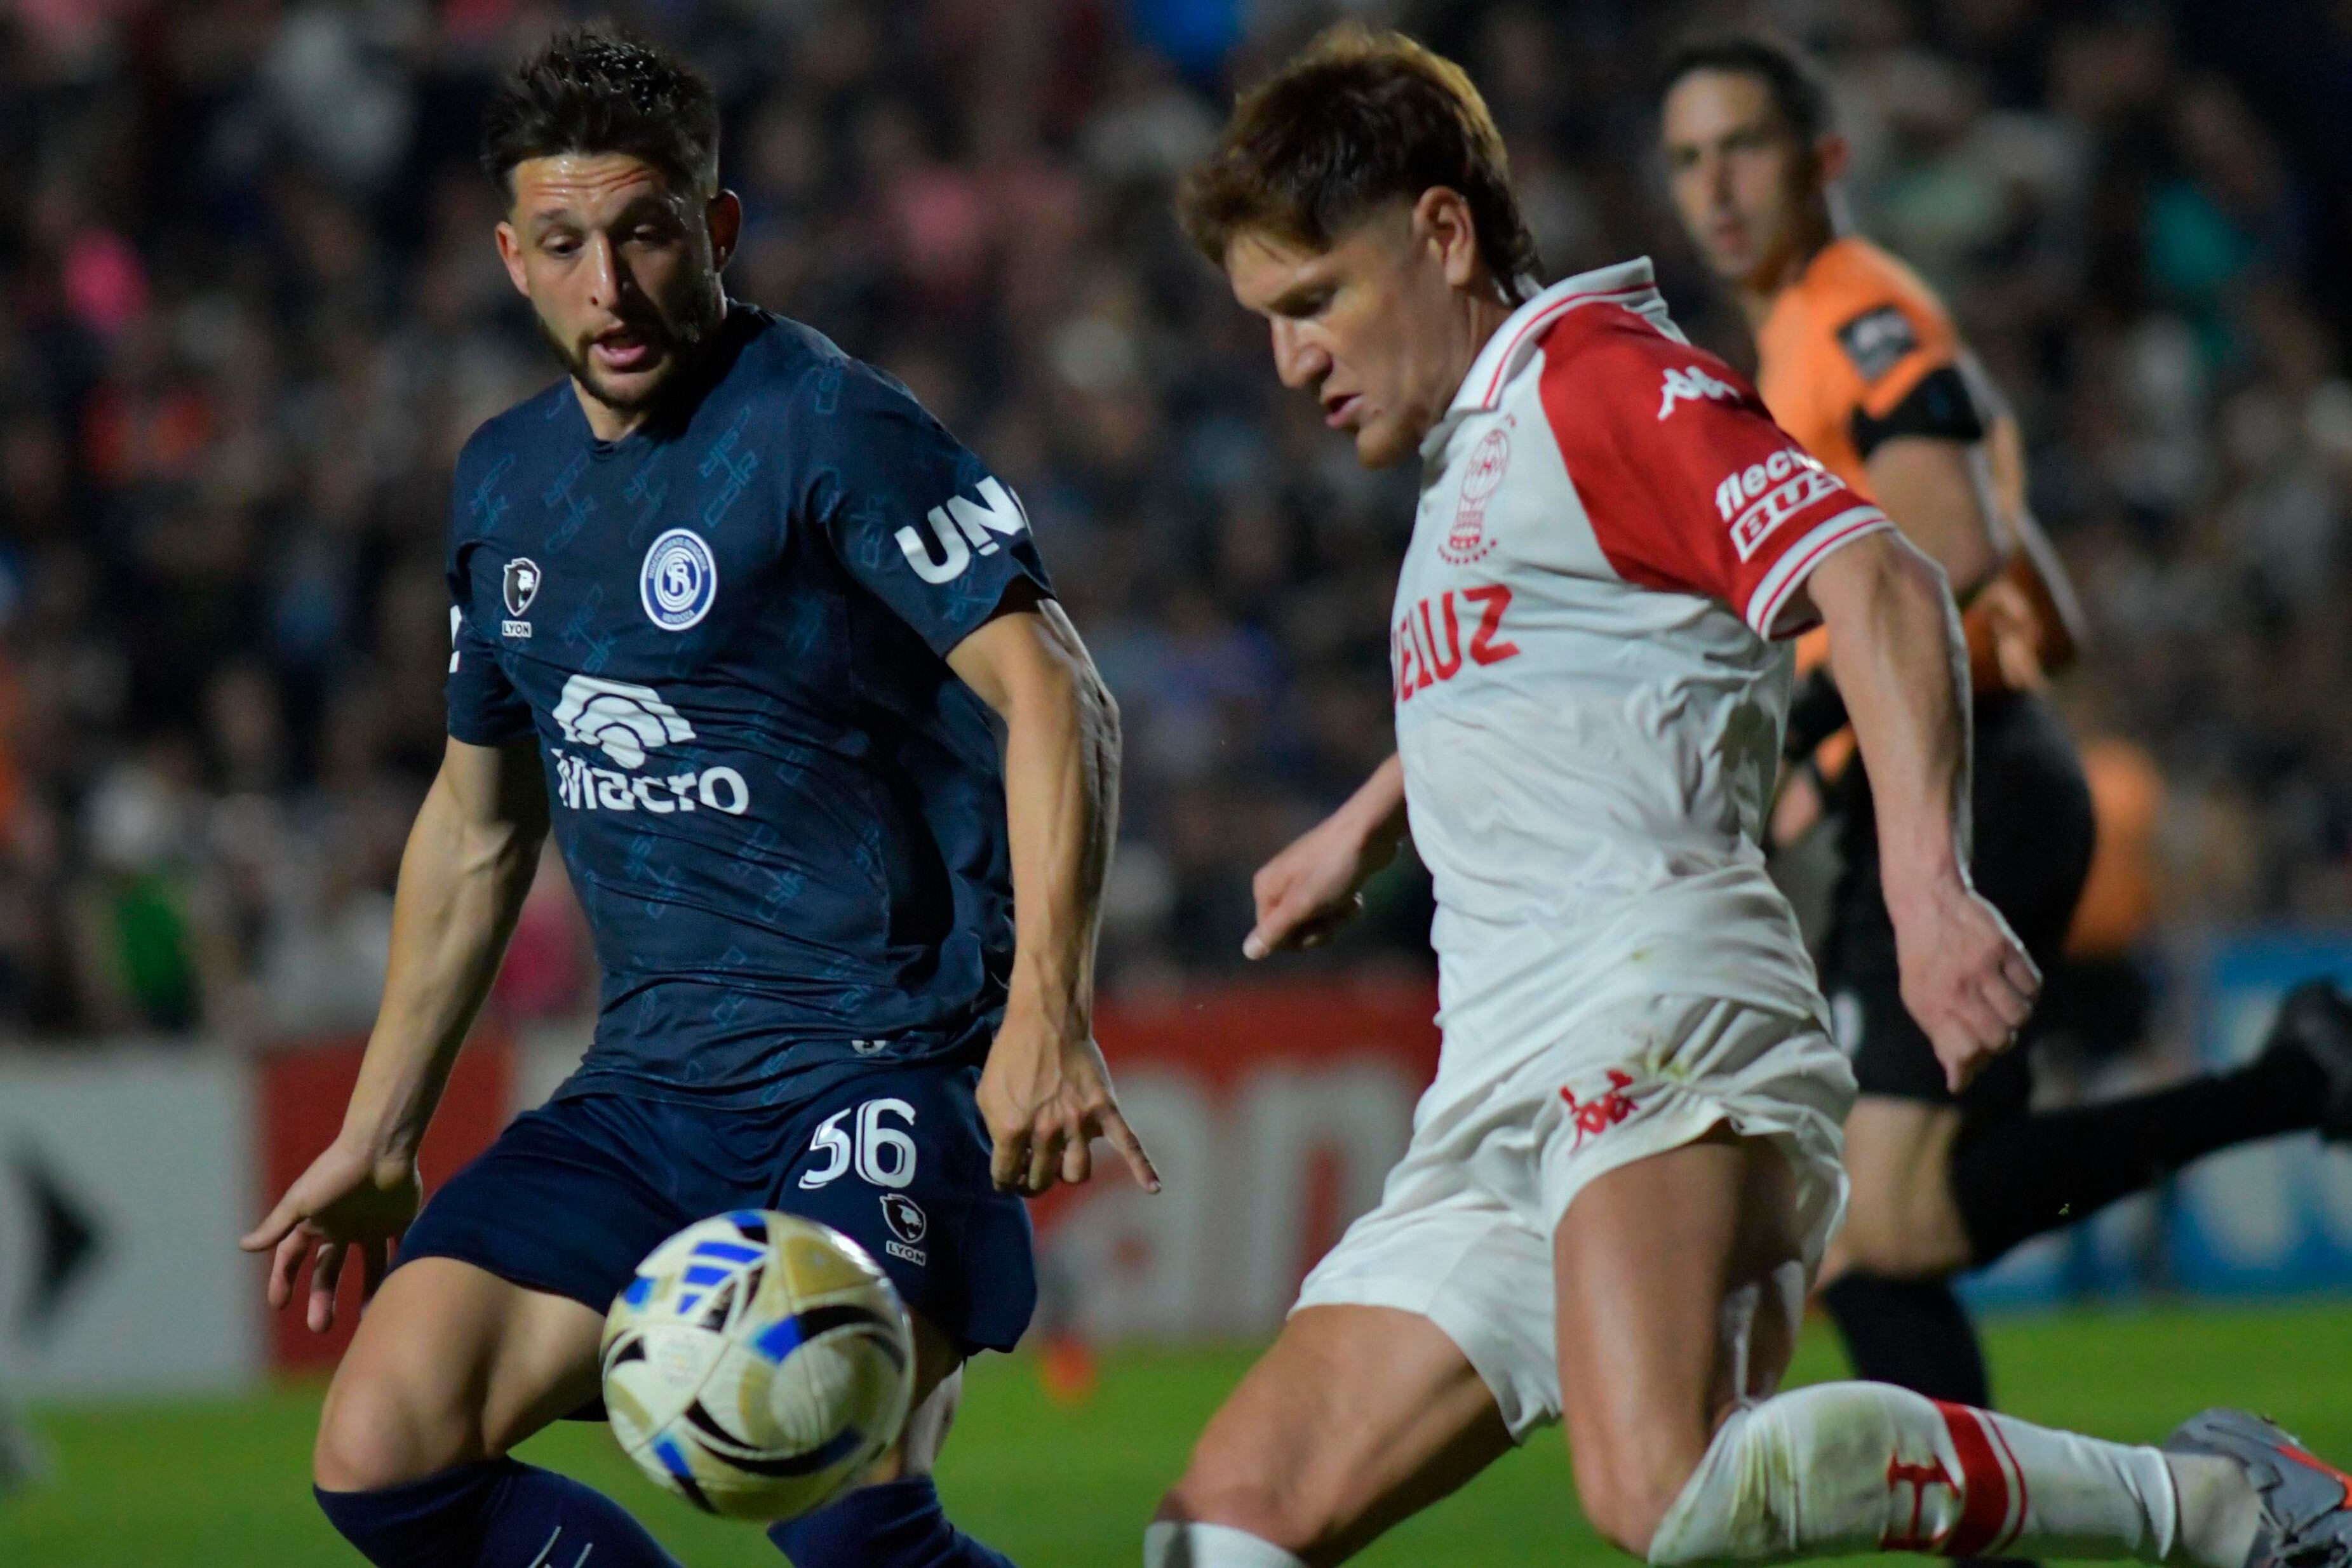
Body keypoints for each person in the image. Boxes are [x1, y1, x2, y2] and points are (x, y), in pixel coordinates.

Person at [1145, 24, 2352, 1568]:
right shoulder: (1481, 449)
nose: (1290, 359)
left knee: (1664, 1491)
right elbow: (1559, 663)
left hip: (1652, 1009)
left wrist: (1926, 893)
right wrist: (1367, 820)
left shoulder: (1590, 377)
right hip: (1498, 1066)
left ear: (1441, 234)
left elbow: (1881, 576)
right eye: (1267, 319)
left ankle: (2217, 1506)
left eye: (1315, 301)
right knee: (1222, 1531)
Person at [239, 27, 1155, 1568]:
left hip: (880, 1069)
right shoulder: (503, 484)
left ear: (716, 227)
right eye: (564, 245)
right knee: (384, 1447)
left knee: (838, 1515)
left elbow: (1057, 694)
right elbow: (479, 824)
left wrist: (1046, 1016)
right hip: (653, 1089)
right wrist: (382, 1128)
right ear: (511, 258)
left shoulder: (826, 423)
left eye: (646, 233)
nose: (609, 286)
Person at [1656, 31, 2352, 1430]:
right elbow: (2034, 580)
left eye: (1743, 148)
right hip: (1953, 769)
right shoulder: (1810, 333)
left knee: (1880, 1223)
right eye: (1687, 159)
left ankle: (2292, 1080)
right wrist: (1841, 750)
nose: (1714, 186)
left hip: (1968, 783)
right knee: (1874, 1230)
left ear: (1823, 160)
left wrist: (1806, 723)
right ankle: (2291, 1081)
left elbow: (1955, 543)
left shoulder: (1855, 311)